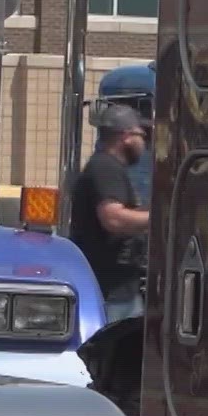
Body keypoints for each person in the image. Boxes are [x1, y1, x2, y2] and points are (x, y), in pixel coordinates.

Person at [70, 103, 152, 324]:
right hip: (110, 292)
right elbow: (113, 218)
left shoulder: (107, 167)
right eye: (141, 135)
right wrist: (162, 218)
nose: (144, 143)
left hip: (121, 289)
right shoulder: (105, 168)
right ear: (125, 136)